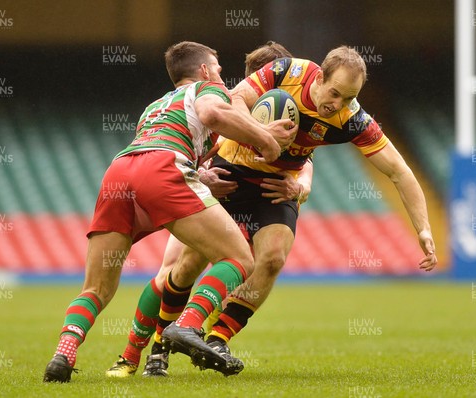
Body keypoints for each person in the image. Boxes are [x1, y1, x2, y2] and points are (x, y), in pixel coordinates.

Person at [131, 45, 438, 374]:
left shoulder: (351, 119)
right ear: (319, 78)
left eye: (349, 98)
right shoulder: (287, 72)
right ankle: (160, 346)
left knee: (274, 256)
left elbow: (399, 171)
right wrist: (260, 135)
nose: (338, 104)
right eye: (335, 93)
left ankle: (217, 337)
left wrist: (423, 228)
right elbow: (234, 99)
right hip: (228, 173)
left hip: (274, 187)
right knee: (189, 263)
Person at [42, 41, 297, 383]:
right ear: (205, 70)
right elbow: (211, 114)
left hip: (119, 171)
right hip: (162, 171)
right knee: (239, 259)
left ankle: (64, 353)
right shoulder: (210, 88)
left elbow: (171, 140)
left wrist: (201, 174)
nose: (223, 77)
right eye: (219, 69)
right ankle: (187, 326)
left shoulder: (155, 106)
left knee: (96, 289)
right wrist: (266, 137)